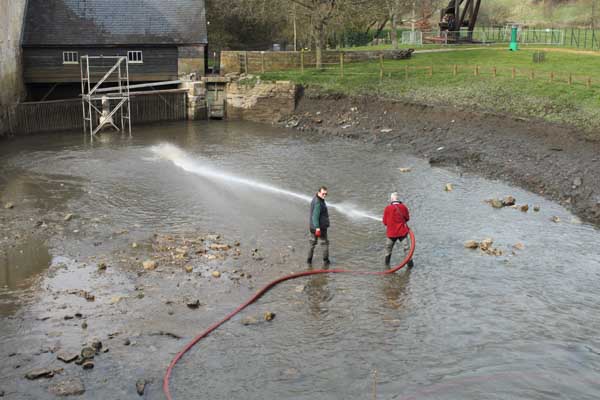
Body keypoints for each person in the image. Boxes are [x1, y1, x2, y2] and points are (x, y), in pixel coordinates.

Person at [382, 192, 413, 268]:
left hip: (391, 233)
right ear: (398, 199)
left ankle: (387, 266)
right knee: (407, 250)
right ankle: (410, 267)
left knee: (388, 249)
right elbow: (407, 218)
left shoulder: (388, 208)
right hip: (402, 232)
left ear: (391, 199)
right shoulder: (403, 207)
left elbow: (385, 222)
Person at [307, 186, 330, 266]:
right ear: (319, 192)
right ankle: (326, 262)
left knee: (312, 243)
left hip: (312, 227)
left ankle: (309, 261)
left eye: (326, 194)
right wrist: (317, 228)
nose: (324, 195)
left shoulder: (315, 199)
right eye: (323, 194)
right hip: (319, 228)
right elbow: (315, 216)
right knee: (324, 244)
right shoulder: (318, 203)